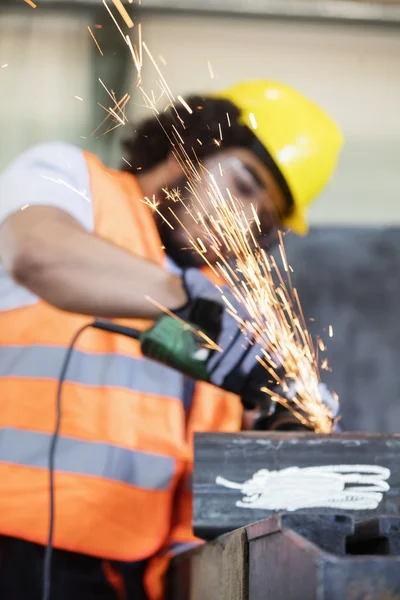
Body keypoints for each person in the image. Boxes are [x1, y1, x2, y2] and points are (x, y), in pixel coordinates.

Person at [0, 80, 342, 600]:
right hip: (13, 548)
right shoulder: (72, 182)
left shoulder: (227, 312)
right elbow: (38, 253)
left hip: (129, 578)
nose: (245, 222)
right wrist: (189, 305)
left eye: (266, 220)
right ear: (194, 144)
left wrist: (280, 425)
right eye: (245, 185)